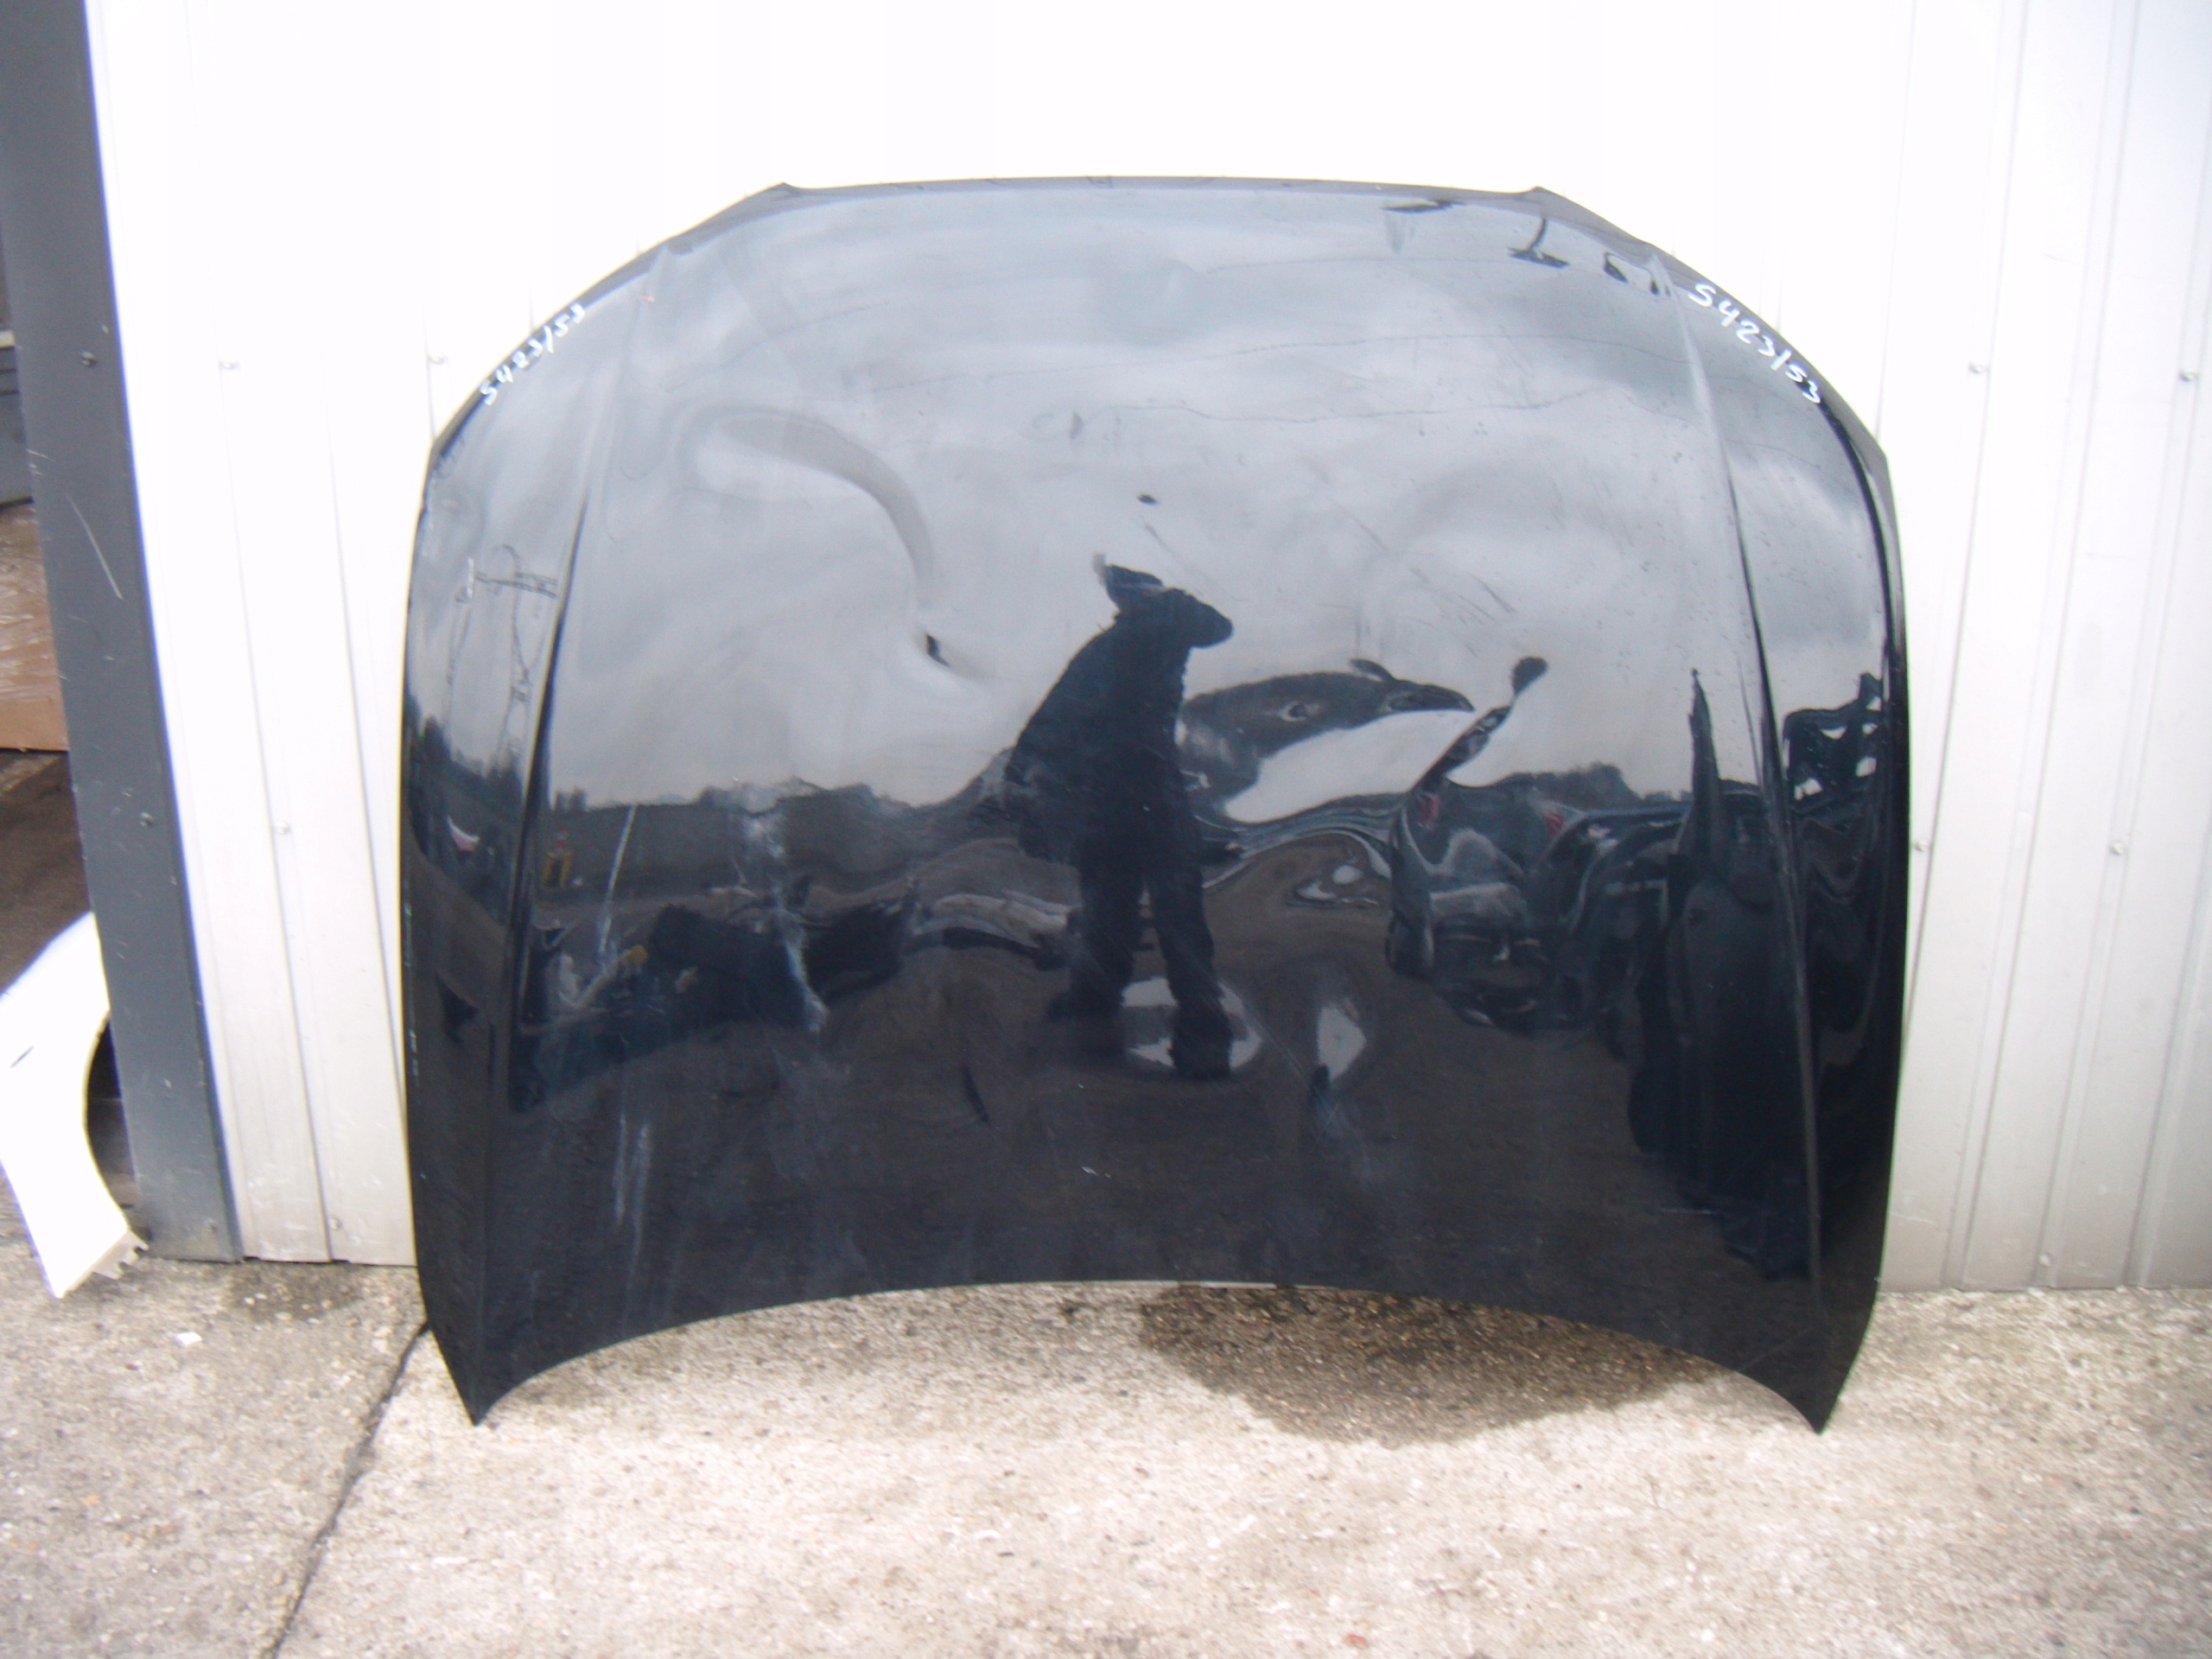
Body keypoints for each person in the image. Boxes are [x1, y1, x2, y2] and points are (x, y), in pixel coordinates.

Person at [1001, 563, 1235, 1079]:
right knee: (1144, 910)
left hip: (1125, 794)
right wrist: (1022, 770)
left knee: (1127, 909)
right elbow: (1055, 715)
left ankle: (1142, 1011)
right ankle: (1188, 1022)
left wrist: (1019, 771)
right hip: (1136, 793)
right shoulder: (1154, 635)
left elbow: (1053, 716)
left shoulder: (1141, 637)